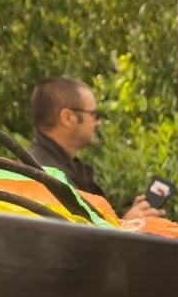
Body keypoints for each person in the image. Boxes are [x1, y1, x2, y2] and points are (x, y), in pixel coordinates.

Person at [27, 77, 157, 219]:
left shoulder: (61, 166)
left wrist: (128, 221)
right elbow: (73, 238)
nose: (98, 123)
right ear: (68, 118)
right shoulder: (46, 175)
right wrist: (125, 229)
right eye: (94, 114)